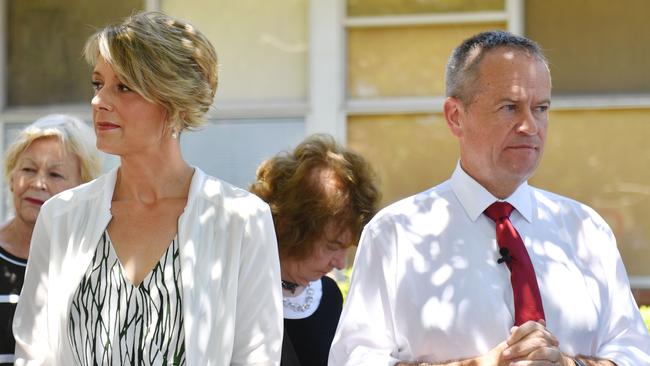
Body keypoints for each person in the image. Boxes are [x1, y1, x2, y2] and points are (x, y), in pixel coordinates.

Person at [329, 30, 650, 366]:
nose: (530, 125)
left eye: (540, 108)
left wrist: (571, 365)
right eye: (510, 107)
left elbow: (635, 355)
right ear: (455, 116)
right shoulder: (395, 234)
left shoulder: (586, 230)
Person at [13, 11, 282, 365]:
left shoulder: (242, 219)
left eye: (123, 87)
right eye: (98, 84)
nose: (99, 101)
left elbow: (255, 356)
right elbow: (35, 354)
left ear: (173, 102)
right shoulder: (61, 217)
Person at [250, 134, 380, 366]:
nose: (340, 263)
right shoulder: (240, 292)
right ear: (288, 226)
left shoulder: (329, 296)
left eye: (346, 247)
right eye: (332, 246)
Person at [0, 114, 101, 365]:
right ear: (12, 177)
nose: (38, 183)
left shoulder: (96, 264)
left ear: (84, 188)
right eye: (28, 169)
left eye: (55, 175)